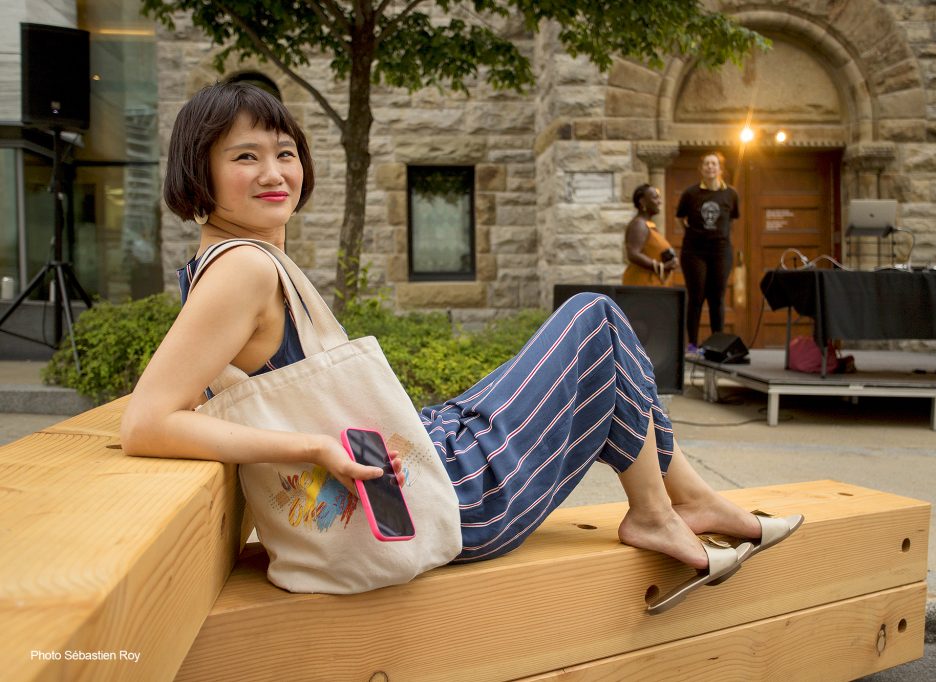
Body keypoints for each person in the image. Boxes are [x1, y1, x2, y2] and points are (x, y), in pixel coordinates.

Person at [121, 83, 800, 611]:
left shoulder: (220, 259)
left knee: (601, 339)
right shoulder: (243, 269)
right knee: (595, 319)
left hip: (408, 471)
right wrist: (312, 449)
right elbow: (146, 423)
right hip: (430, 500)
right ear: (199, 171)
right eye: (245, 157)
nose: (274, 173)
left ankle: (685, 501)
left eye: (285, 152)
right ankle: (662, 510)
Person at [675, 151, 741, 355]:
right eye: (706, 164)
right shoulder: (690, 193)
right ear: (701, 169)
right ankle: (692, 345)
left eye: (714, 164)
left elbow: (732, 219)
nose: (710, 167)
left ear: (721, 169)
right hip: (694, 251)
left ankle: (717, 345)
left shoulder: (731, 194)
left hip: (720, 251)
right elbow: (681, 218)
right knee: (696, 296)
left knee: (717, 298)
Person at [622, 184, 680, 286]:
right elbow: (633, 254)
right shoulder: (638, 224)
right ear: (642, 201)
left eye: (659, 198)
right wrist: (661, 266)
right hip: (642, 285)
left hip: (653, 284)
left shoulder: (649, 225)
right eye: (655, 198)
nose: (659, 202)